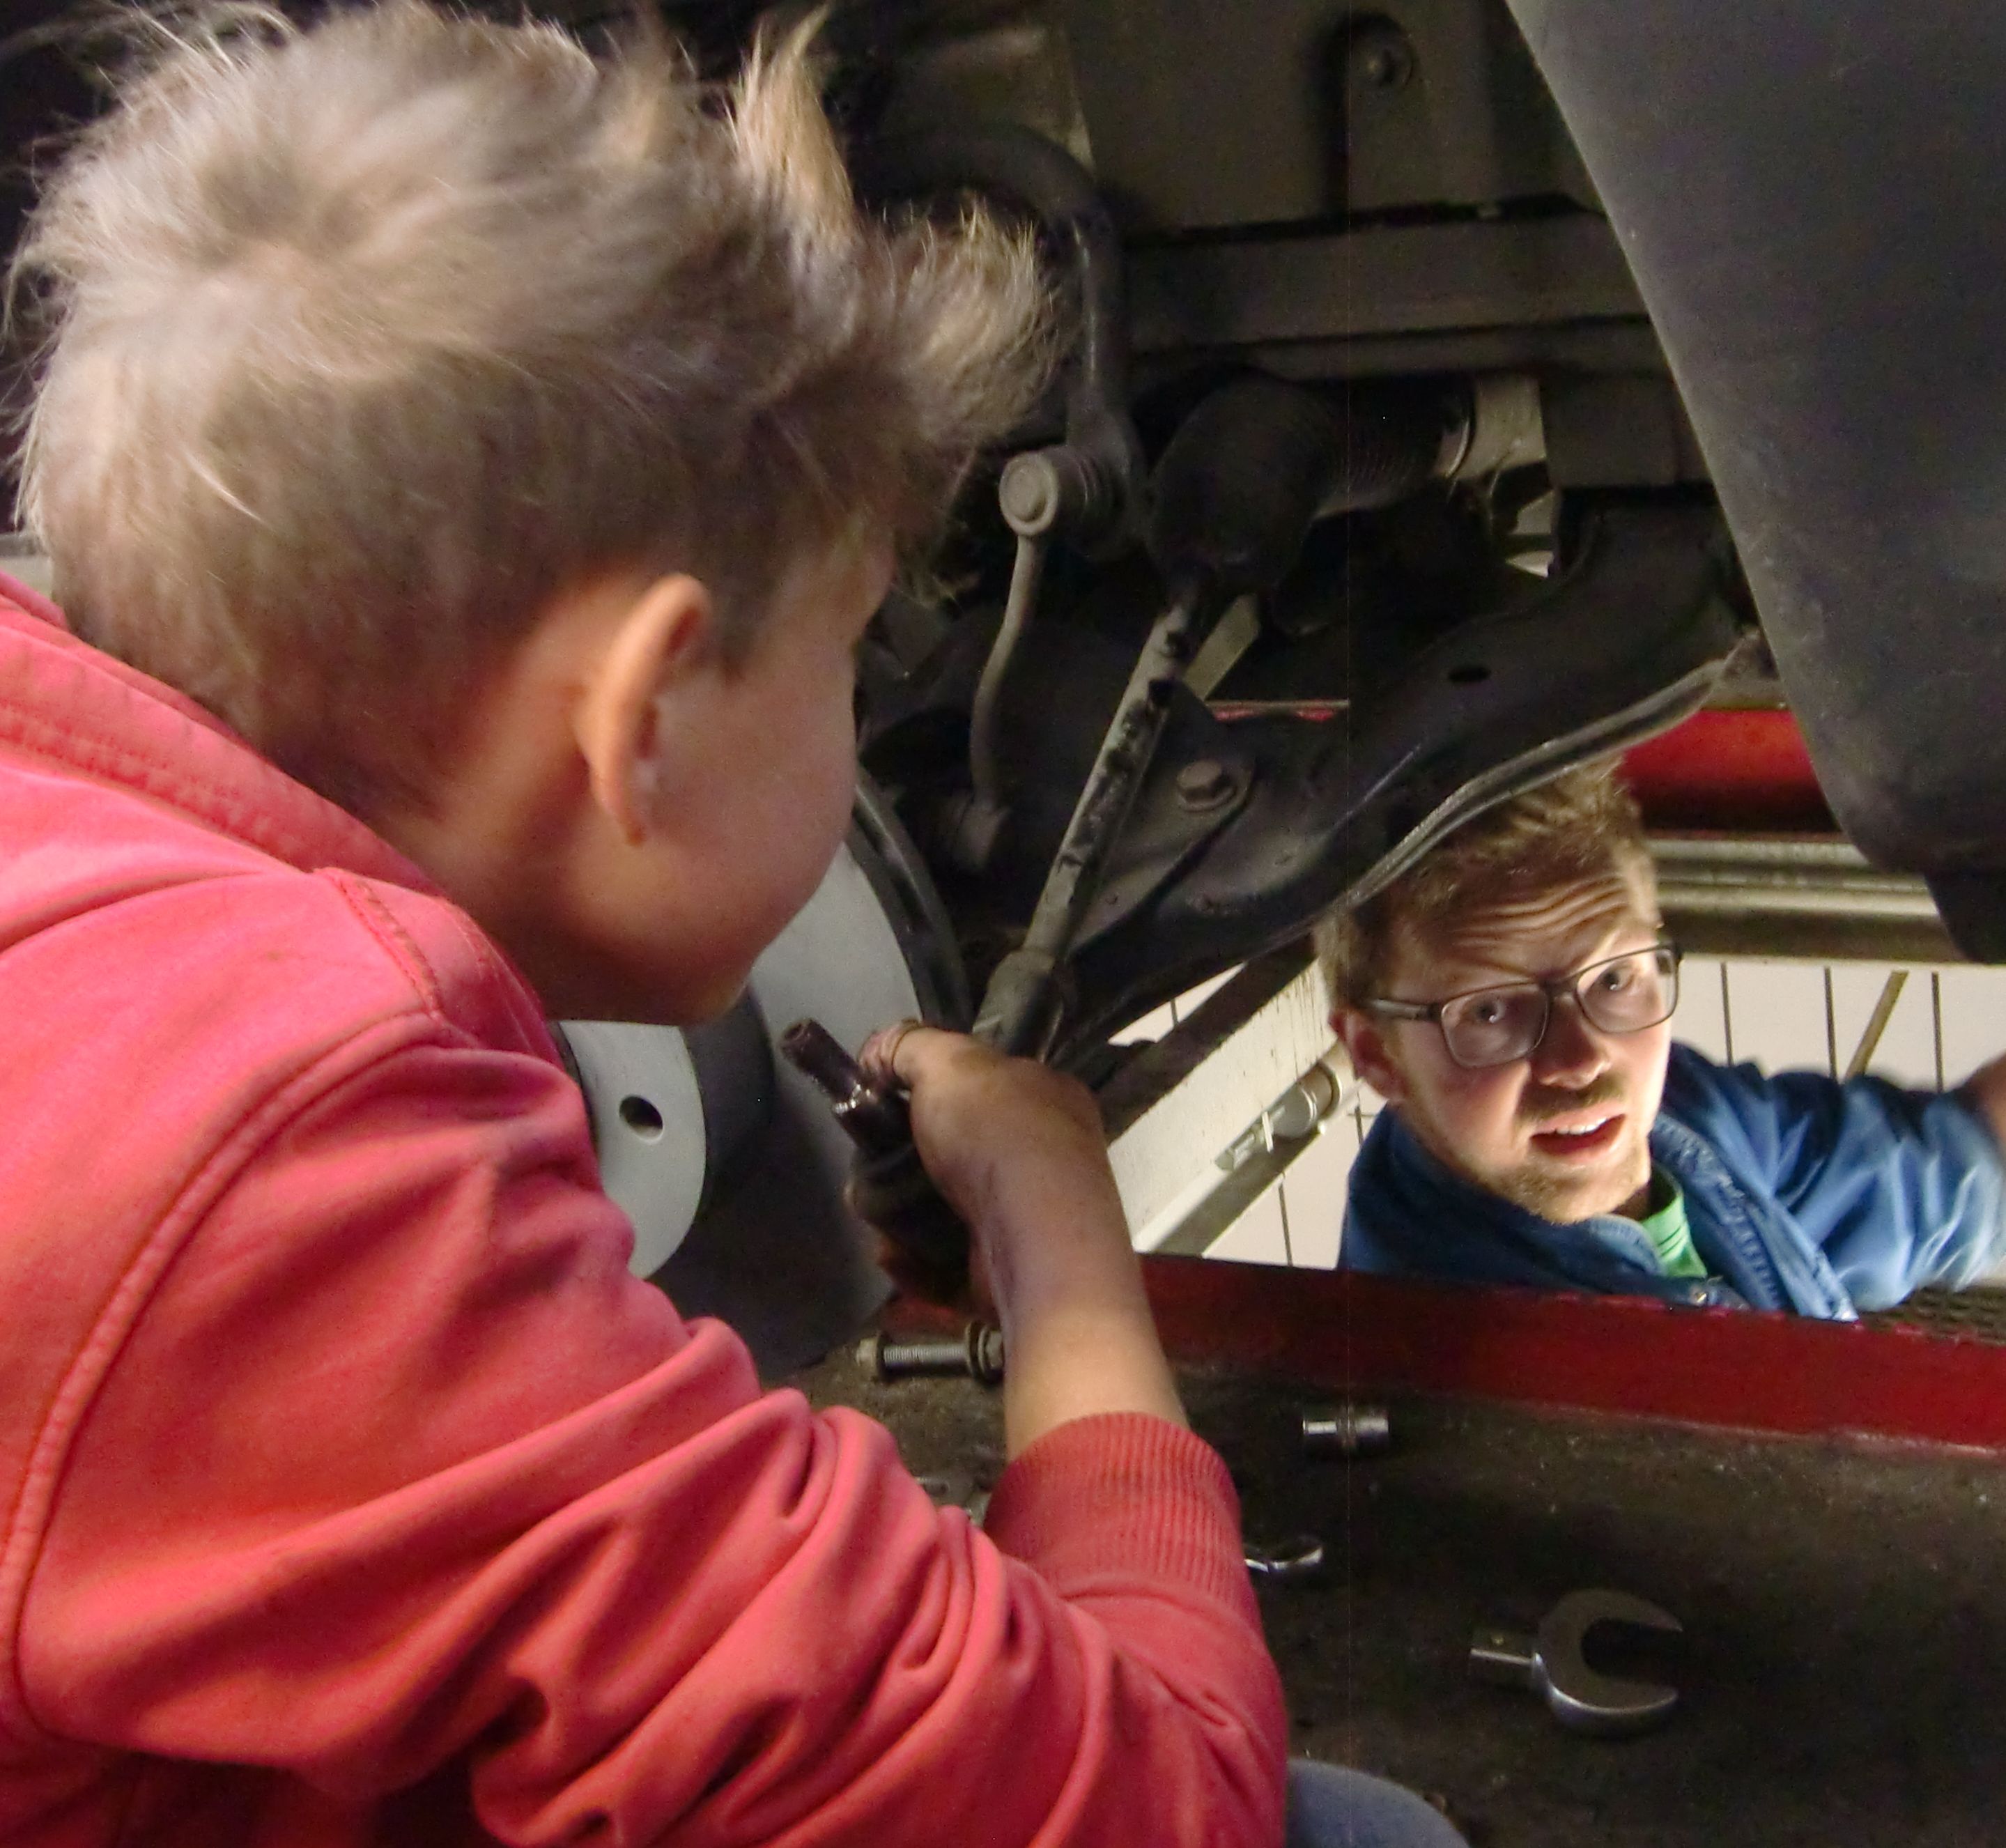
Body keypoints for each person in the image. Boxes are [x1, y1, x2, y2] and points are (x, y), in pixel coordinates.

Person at [0, 7, 1465, 1845]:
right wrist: (1060, 1235)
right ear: (647, 717)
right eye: (852, 649)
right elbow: (1147, 1812)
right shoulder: (266, 1166)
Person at [1320, 762, 2006, 1314]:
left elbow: (1926, 1179)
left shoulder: (1683, 1115)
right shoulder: (1458, 1362)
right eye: (1491, 1012)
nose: (1580, 1060)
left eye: (1613, 979)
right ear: (1377, 1055)